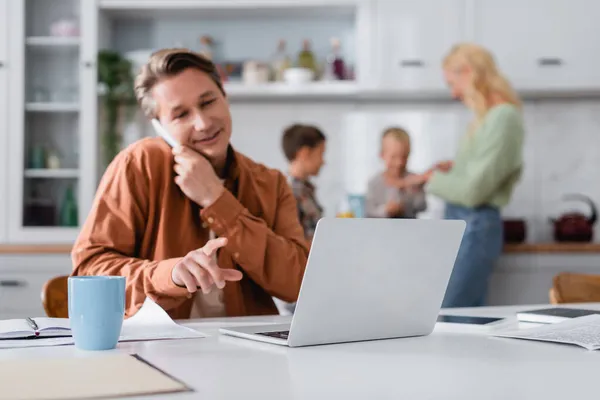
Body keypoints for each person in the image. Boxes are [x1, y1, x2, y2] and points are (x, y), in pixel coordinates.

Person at [71, 48, 309, 319]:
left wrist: (217, 200)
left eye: (208, 102)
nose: (203, 123)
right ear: (160, 125)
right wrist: (170, 275)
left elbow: (300, 283)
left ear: (225, 98)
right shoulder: (138, 165)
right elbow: (89, 272)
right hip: (155, 350)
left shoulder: (271, 183)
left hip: (246, 348)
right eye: (181, 114)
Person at [422, 43, 525, 308]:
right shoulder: (489, 118)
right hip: (466, 225)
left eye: (452, 82)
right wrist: (454, 169)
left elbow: (473, 191)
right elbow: (477, 176)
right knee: (463, 320)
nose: (454, 93)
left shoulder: (503, 118)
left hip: (475, 226)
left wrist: (430, 179)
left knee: (447, 315)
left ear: (469, 72)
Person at [365, 127, 427, 219]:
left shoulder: (414, 180)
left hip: (409, 230)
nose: (399, 163)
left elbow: (422, 206)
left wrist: (406, 205)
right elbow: (369, 211)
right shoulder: (374, 183)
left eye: (404, 156)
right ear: (382, 155)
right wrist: (386, 210)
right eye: (393, 157)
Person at [281, 124, 326, 241]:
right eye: (321, 154)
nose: (323, 162)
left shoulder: (306, 189)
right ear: (305, 153)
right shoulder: (287, 191)